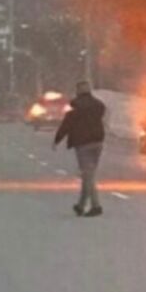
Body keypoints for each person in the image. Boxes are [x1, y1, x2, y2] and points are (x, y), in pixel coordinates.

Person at [53, 81, 107, 216]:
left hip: (83, 144)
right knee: (89, 175)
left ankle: (95, 206)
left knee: (88, 176)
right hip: (97, 142)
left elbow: (65, 127)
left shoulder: (74, 112)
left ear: (77, 92)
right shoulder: (98, 107)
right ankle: (81, 205)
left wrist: (57, 140)